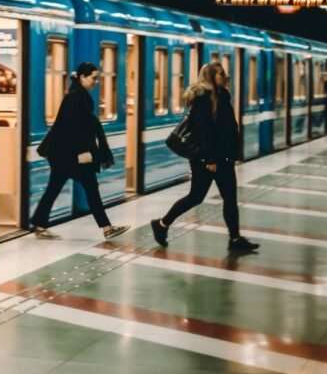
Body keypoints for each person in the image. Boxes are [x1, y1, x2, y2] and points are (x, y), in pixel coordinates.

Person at [151, 62, 260, 252]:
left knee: (230, 198)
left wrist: (230, 153)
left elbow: (226, 127)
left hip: (223, 158)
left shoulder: (223, 95)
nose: (226, 76)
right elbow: (204, 131)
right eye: (221, 74)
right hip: (207, 159)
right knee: (196, 197)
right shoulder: (203, 99)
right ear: (211, 77)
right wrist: (209, 159)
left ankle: (235, 239)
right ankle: (161, 224)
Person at [30, 62, 129, 240]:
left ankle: (40, 224)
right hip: (69, 154)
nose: (96, 81)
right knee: (90, 188)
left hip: (64, 154)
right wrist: (83, 151)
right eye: (93, 78)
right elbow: (72, 127)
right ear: (82, 78)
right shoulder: (75, 97)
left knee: (56, 188)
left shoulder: (79, 95)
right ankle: (107, 228)